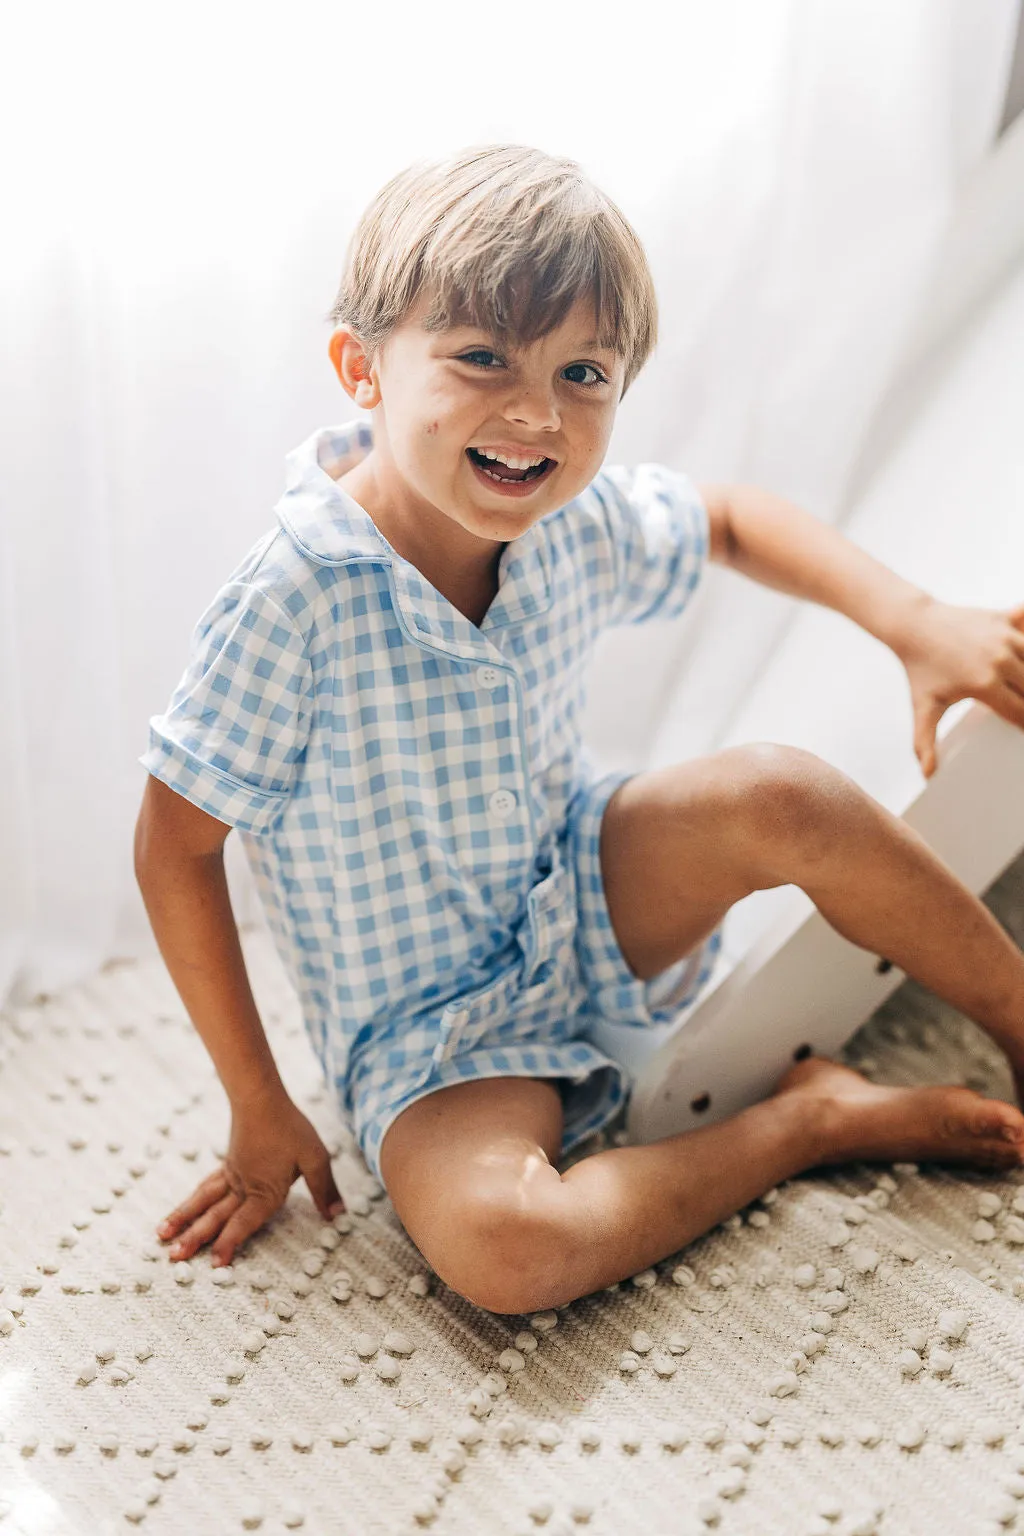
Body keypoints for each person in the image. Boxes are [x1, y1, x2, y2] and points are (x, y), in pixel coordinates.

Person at [136, 143, 1024, 1316]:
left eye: (583, 374)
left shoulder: (563, 513)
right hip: (434, 1033)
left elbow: (727, 518)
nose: (532, 412)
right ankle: (808, 1124)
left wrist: (913, 621)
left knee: (784, 794)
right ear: (362, 368)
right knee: (506, 1252)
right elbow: (174, 848)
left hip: (583, 880)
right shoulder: (292, 602)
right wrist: (258, 1101)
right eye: (481, 358)